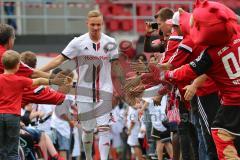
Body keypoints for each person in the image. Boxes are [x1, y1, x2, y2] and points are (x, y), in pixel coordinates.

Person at [40, 10, 122, 160]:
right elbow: (59, 60)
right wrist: (38, 71)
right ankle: (89, 157)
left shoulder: (111, 42)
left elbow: (115, 67)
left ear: (102, 24)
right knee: (88, 130)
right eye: (93, 25)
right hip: (84, 93)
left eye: (98, 24)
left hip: (105, 91)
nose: (96, 28)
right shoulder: (78, 42)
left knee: (104, 128)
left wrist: (118, 87)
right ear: (87, 24)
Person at [0, 50, 65, 160]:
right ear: (17, 66)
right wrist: (56, 81)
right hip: (13, 116)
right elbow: (39, 81)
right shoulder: (19, 80)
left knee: (1, 149)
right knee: (12, 152)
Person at [0, 24, 66, 107]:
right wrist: (55, 79)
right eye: (14, 38)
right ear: (10, 40)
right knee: (62, 99)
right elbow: (34, 75)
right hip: (11, 112)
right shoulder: (5, 56)